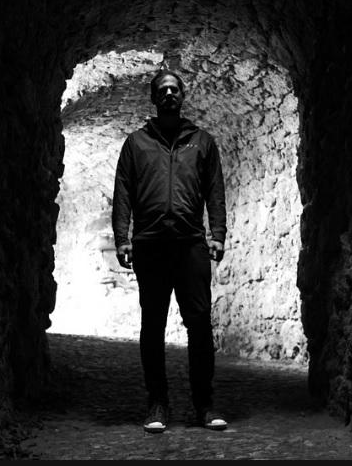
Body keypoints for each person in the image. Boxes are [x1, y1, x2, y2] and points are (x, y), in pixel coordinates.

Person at [112, 68, 227, 433]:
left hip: (191, 244)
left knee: (199, 324)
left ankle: (204, 404)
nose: (169, 94)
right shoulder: (136, 143)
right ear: (153, 98)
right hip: (150, 245)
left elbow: (215, 189)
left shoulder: (202, 142)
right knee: (153, 325)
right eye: (162, 90)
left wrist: (218, 233)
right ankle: (157, 404)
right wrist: (122, 238)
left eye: (175, 89)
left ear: (182, 95)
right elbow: (123, 191)